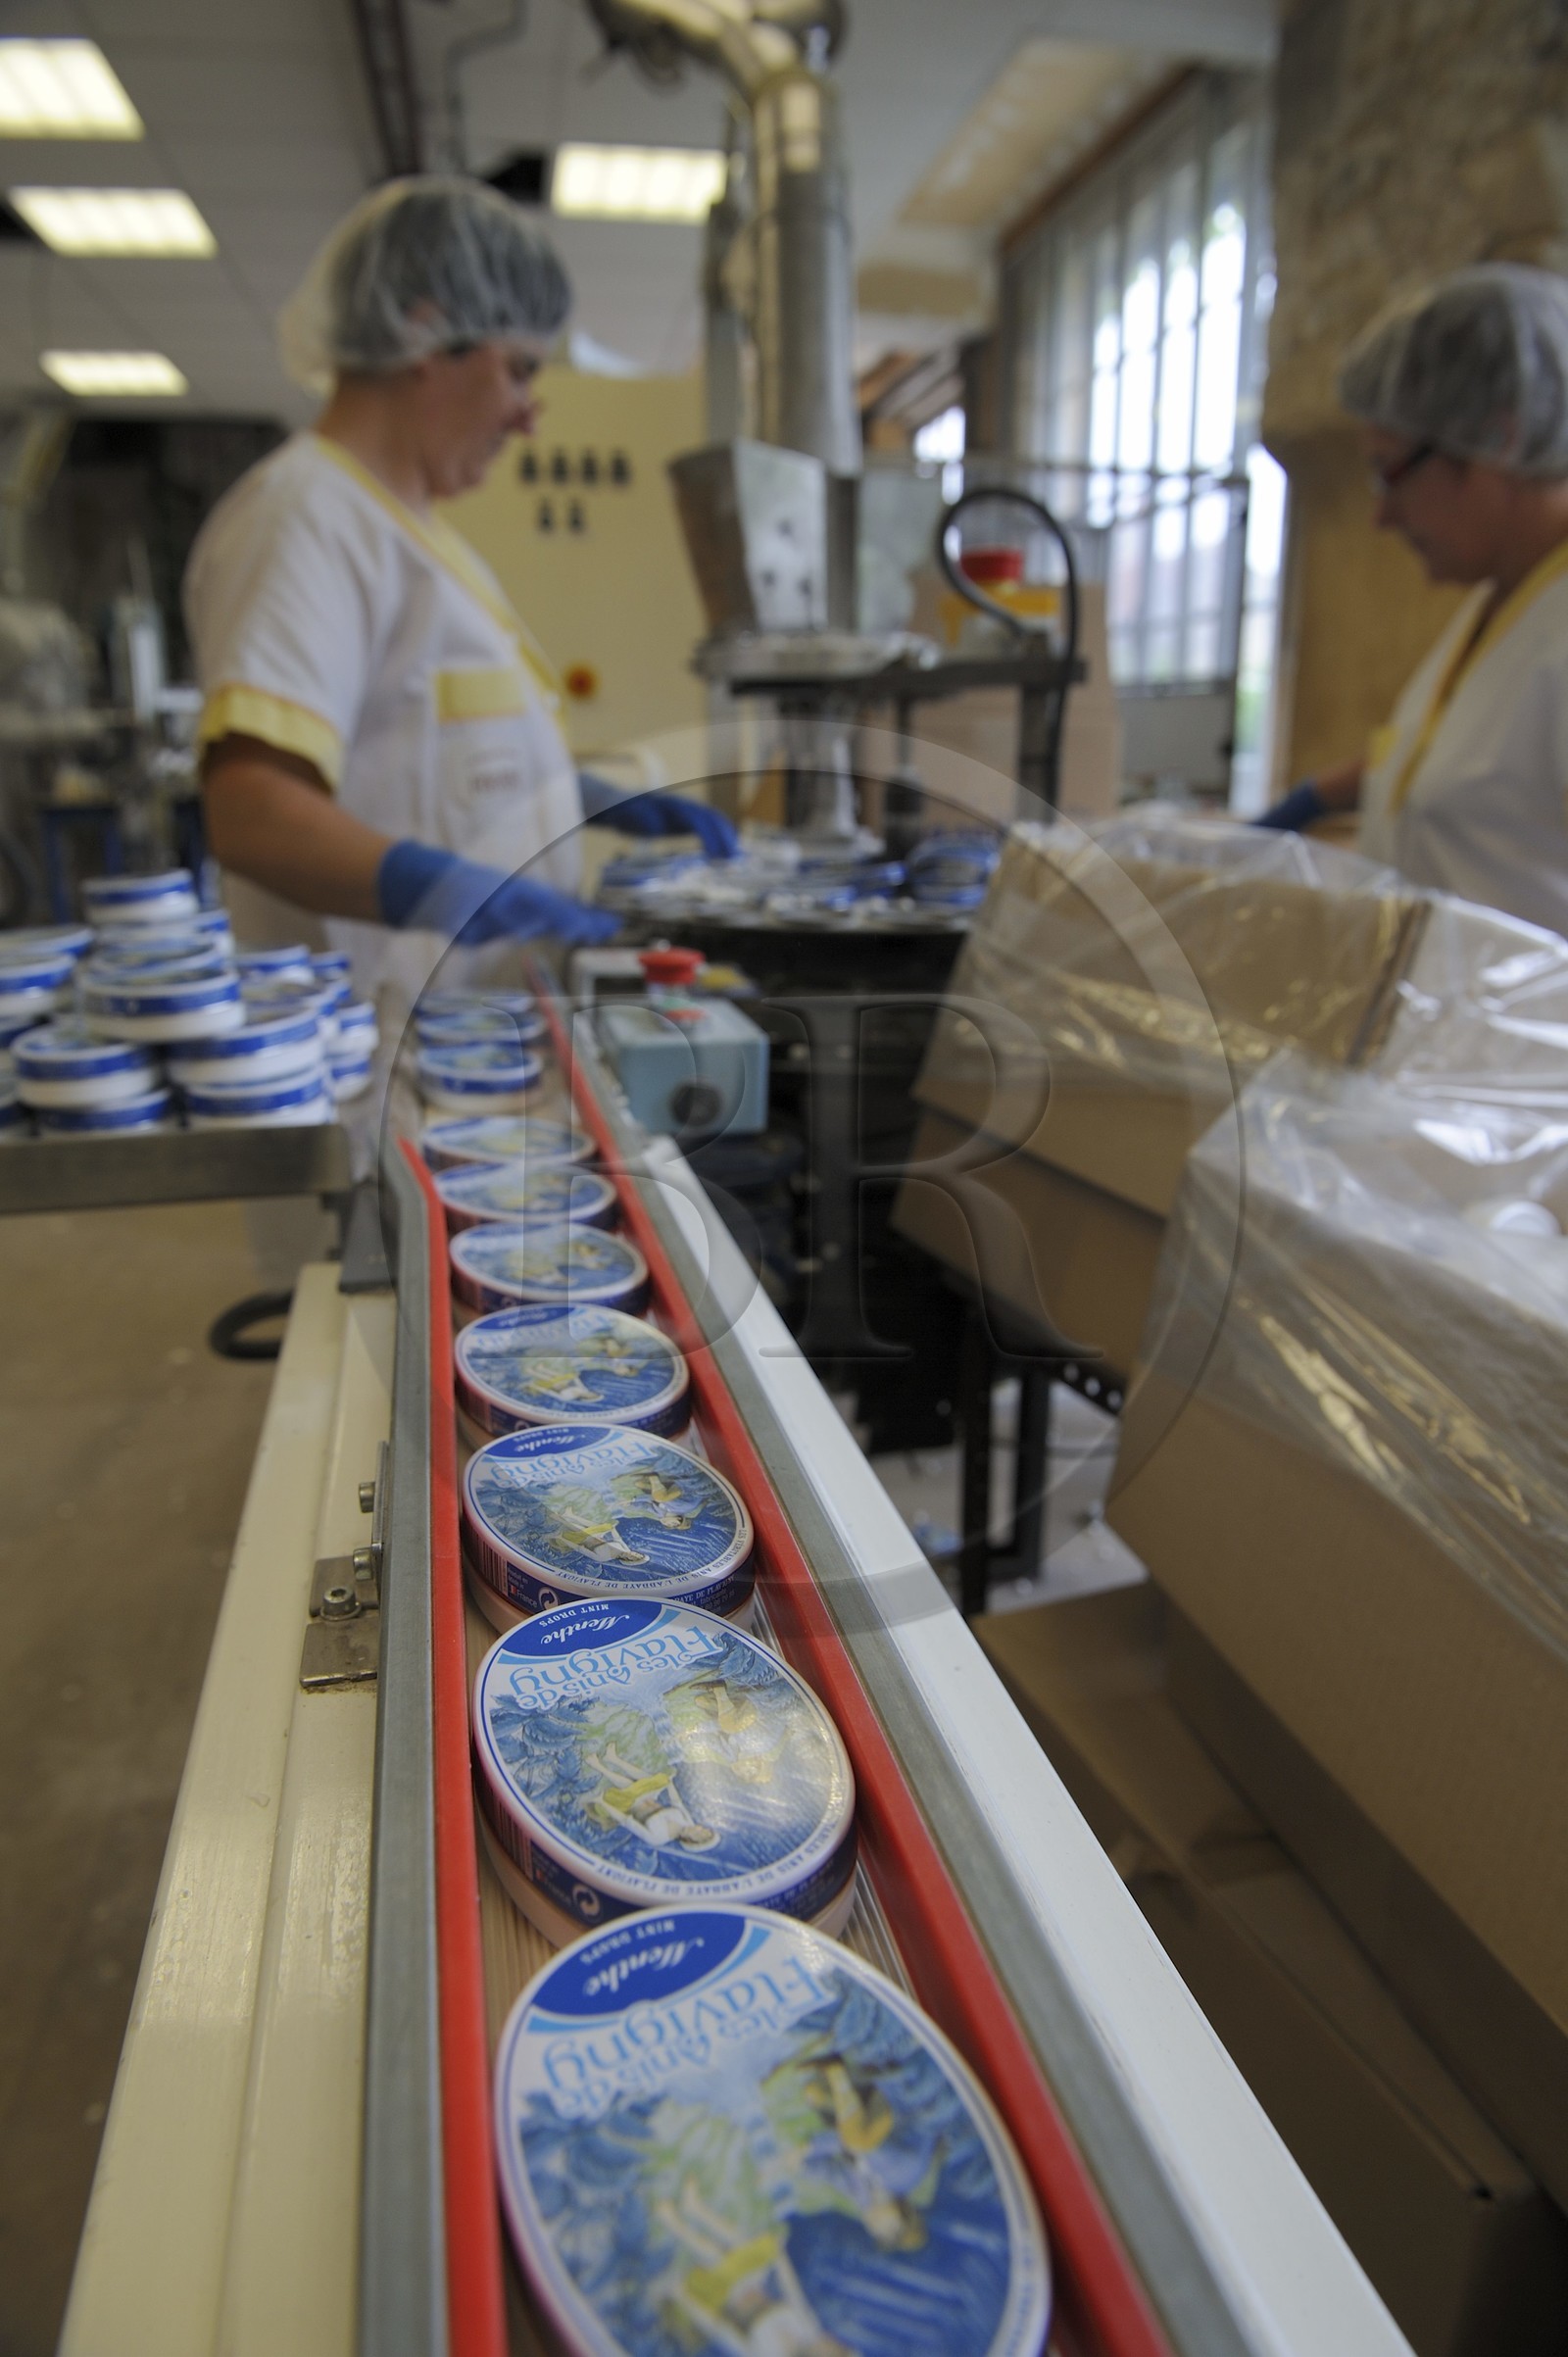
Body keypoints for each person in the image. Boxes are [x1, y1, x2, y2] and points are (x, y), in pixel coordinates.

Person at [185, 175, 736, 1035]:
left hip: (469, 1051)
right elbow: (252, 809)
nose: (528, 418)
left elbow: (418, 758)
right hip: (384, 1061)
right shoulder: (305, 518)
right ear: (424, 329)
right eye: (520, 370)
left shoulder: (410, 528)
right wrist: (441, 892)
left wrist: (575, 795)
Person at [1256, 263, 1568, 938]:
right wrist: (1308, 802)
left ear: (1498, 433)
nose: (1382, 514)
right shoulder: (1505, 603)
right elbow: (1469, 765)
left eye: (1388, 472)